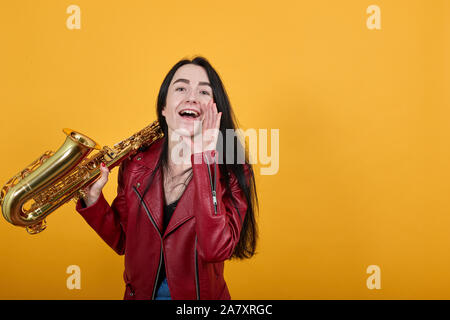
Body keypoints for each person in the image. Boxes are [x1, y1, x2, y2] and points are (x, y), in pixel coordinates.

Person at [76, 56, 258, 300]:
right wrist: (93, 199)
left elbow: (215, 249)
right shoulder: (135, 163)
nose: (192, 97)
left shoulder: (233, 168)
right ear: (164, 107)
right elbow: (123, 241)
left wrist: (204, 158)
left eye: (204, 91)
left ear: (216, 109)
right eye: (181, 88)